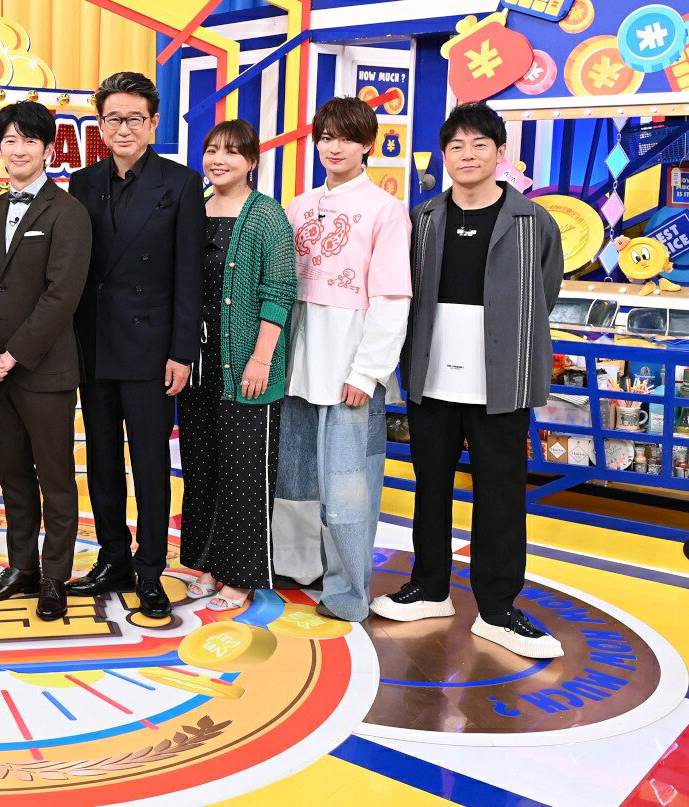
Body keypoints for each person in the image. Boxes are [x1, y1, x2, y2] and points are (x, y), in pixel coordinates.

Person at [371, 102, 565, 660]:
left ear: (500, 153)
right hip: (432, 378)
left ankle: (498, 609)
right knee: (429, 487)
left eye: (480, 144)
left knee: (501, 495)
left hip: (501, 383)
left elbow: (544, 292)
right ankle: (429, 587)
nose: (467, 154)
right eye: (456, 145)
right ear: (444, 155)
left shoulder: (533, 221)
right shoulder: (425, 218)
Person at [68, 71, 204, 619]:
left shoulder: (181, 183)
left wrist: (182, 351)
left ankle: (150, 569)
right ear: (100, 125)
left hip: (152, 350)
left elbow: (189, 276)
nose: (123, 128)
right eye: (113, 119)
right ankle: (112, 557)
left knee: (149, 465)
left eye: (134, 118)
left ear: (153, 123)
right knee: (102, 462)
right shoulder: (82, 182)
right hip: (94, 344)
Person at [273, 98, 412, 621]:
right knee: (294, 477)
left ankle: (349, 591)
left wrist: (367, 372)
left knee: (350, 487)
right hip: (297, 364)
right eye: (327, 137)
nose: (335, 147)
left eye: (347, 138)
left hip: (350, 365)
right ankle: (295, 568)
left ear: (367, 146)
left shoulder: (385, 210)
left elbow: (392, 299)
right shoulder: (298, 206)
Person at [0, 101, 91, 620]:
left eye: (30, 141)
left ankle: (55, 575)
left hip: (45, 369)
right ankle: (22, 567)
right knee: (13, 476)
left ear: (48, 149)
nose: (18, 150)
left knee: (55, 478)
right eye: (10, 141)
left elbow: (62, 295)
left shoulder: (68, 212)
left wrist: (13, 354)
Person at [177, 120, 297, 611]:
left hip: (248, 363)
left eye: (231, 151)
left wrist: (261, 358)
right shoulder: (194, 210)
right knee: (202, 467)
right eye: (211, 149)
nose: (218, 159)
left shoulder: (267, 215)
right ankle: (208, 562)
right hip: (198, 365)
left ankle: (241, 575)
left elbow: (280, 291)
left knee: (245, 473)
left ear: (251, 161)